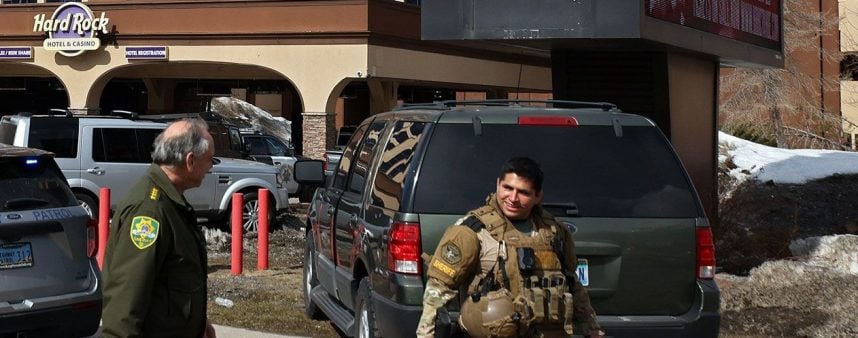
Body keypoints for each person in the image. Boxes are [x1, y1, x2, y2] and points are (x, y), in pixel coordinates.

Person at [416, 157, 604, 338]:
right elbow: (438, 291)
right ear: (498, 184)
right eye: (507, 188)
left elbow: (573, 285)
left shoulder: (554, 232)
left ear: (538, 196)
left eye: (523, 192)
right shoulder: (472, 231)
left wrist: (592, 329)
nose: (513, 198)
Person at [101, 119, 217, 338]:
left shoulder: (170, 202)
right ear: (190, 161)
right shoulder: (149, 211)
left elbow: (172, 281)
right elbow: (126, 300)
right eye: (211, 160)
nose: (211, 167)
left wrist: (198, 321)